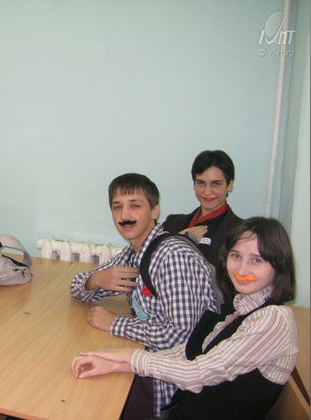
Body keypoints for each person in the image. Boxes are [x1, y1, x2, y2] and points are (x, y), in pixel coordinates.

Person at [72, 217, 297, 420]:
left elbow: (196, 373)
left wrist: (128, 355)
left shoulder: (274, 319)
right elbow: (189, 352)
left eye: (257, 260)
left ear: (278, 265)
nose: (242, 269)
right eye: (236, 256)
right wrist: (116, 364)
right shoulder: (243, 307)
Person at [70, 173, 217, 418]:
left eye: (135, 206)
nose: (124, 215)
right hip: (145, 358)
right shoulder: (135, 252)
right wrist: (96, 280)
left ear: (154, 211)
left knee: (82, 401)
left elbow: (181, 336)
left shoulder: (172, 256)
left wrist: (115, 324)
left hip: (169, 382)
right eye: (117, 207)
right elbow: (76, 288)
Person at [162, 150, 243, 266]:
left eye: (215, 184)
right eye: (201, 183)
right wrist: (177, 239)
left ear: (230, 185)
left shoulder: (242, 232)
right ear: (194, 184)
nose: (207, 192)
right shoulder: (172, 223)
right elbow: (150, 262)